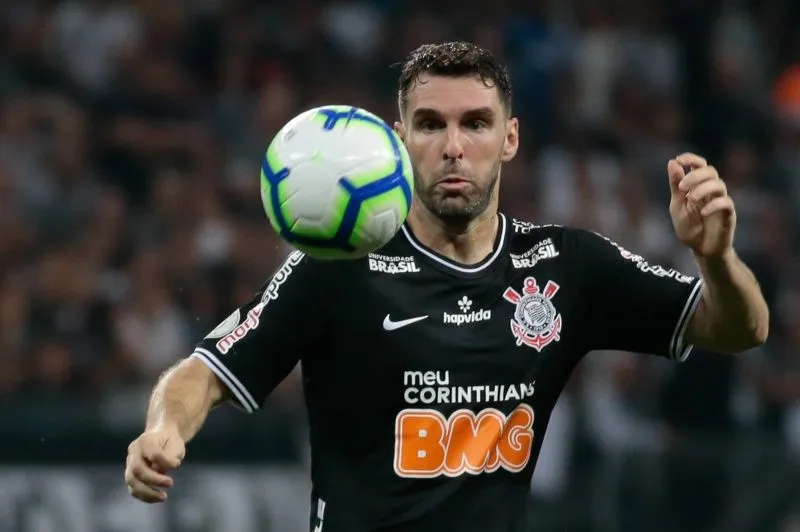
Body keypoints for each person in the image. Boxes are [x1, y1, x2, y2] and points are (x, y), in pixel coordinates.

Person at [124, 42, 769, 531]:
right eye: (431, 124)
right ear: (399, 140)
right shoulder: (339, 266)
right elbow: (205, 372)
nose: (453, 146)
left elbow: (740, 329)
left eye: (476, 124)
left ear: (510, 138)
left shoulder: (567, 266)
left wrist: (715, 257)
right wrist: (164, 430)